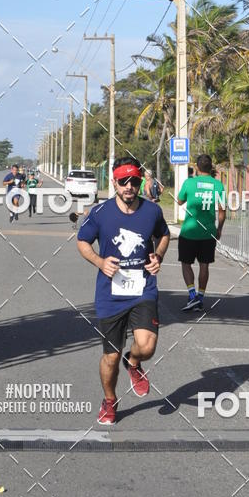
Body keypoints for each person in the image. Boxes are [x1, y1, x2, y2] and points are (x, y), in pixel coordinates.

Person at [77, 156, 170, 426]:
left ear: (140, 182)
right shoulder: (100, 213)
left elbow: (164, 235)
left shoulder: (152, 211)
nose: (129, 186)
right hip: (110, 294)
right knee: (110, 356)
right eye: (123, 181)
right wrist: (99, 261)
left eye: (134, 181)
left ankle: (134, 362)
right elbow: (82, 241)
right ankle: (109, 400)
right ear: (114, 183)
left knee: (147, 346)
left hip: (143, 288)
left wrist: (159, 256)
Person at [177, 154, 226, 312]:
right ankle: (200, 297)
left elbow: (179, 201)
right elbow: (222, 211)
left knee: (186, 263)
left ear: (197, 167)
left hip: (189, 231)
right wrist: (219, 229)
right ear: (211, 167)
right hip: (208, 232)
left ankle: (192, 296)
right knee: (204, 265)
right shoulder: (218, 185)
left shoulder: (189, 183)